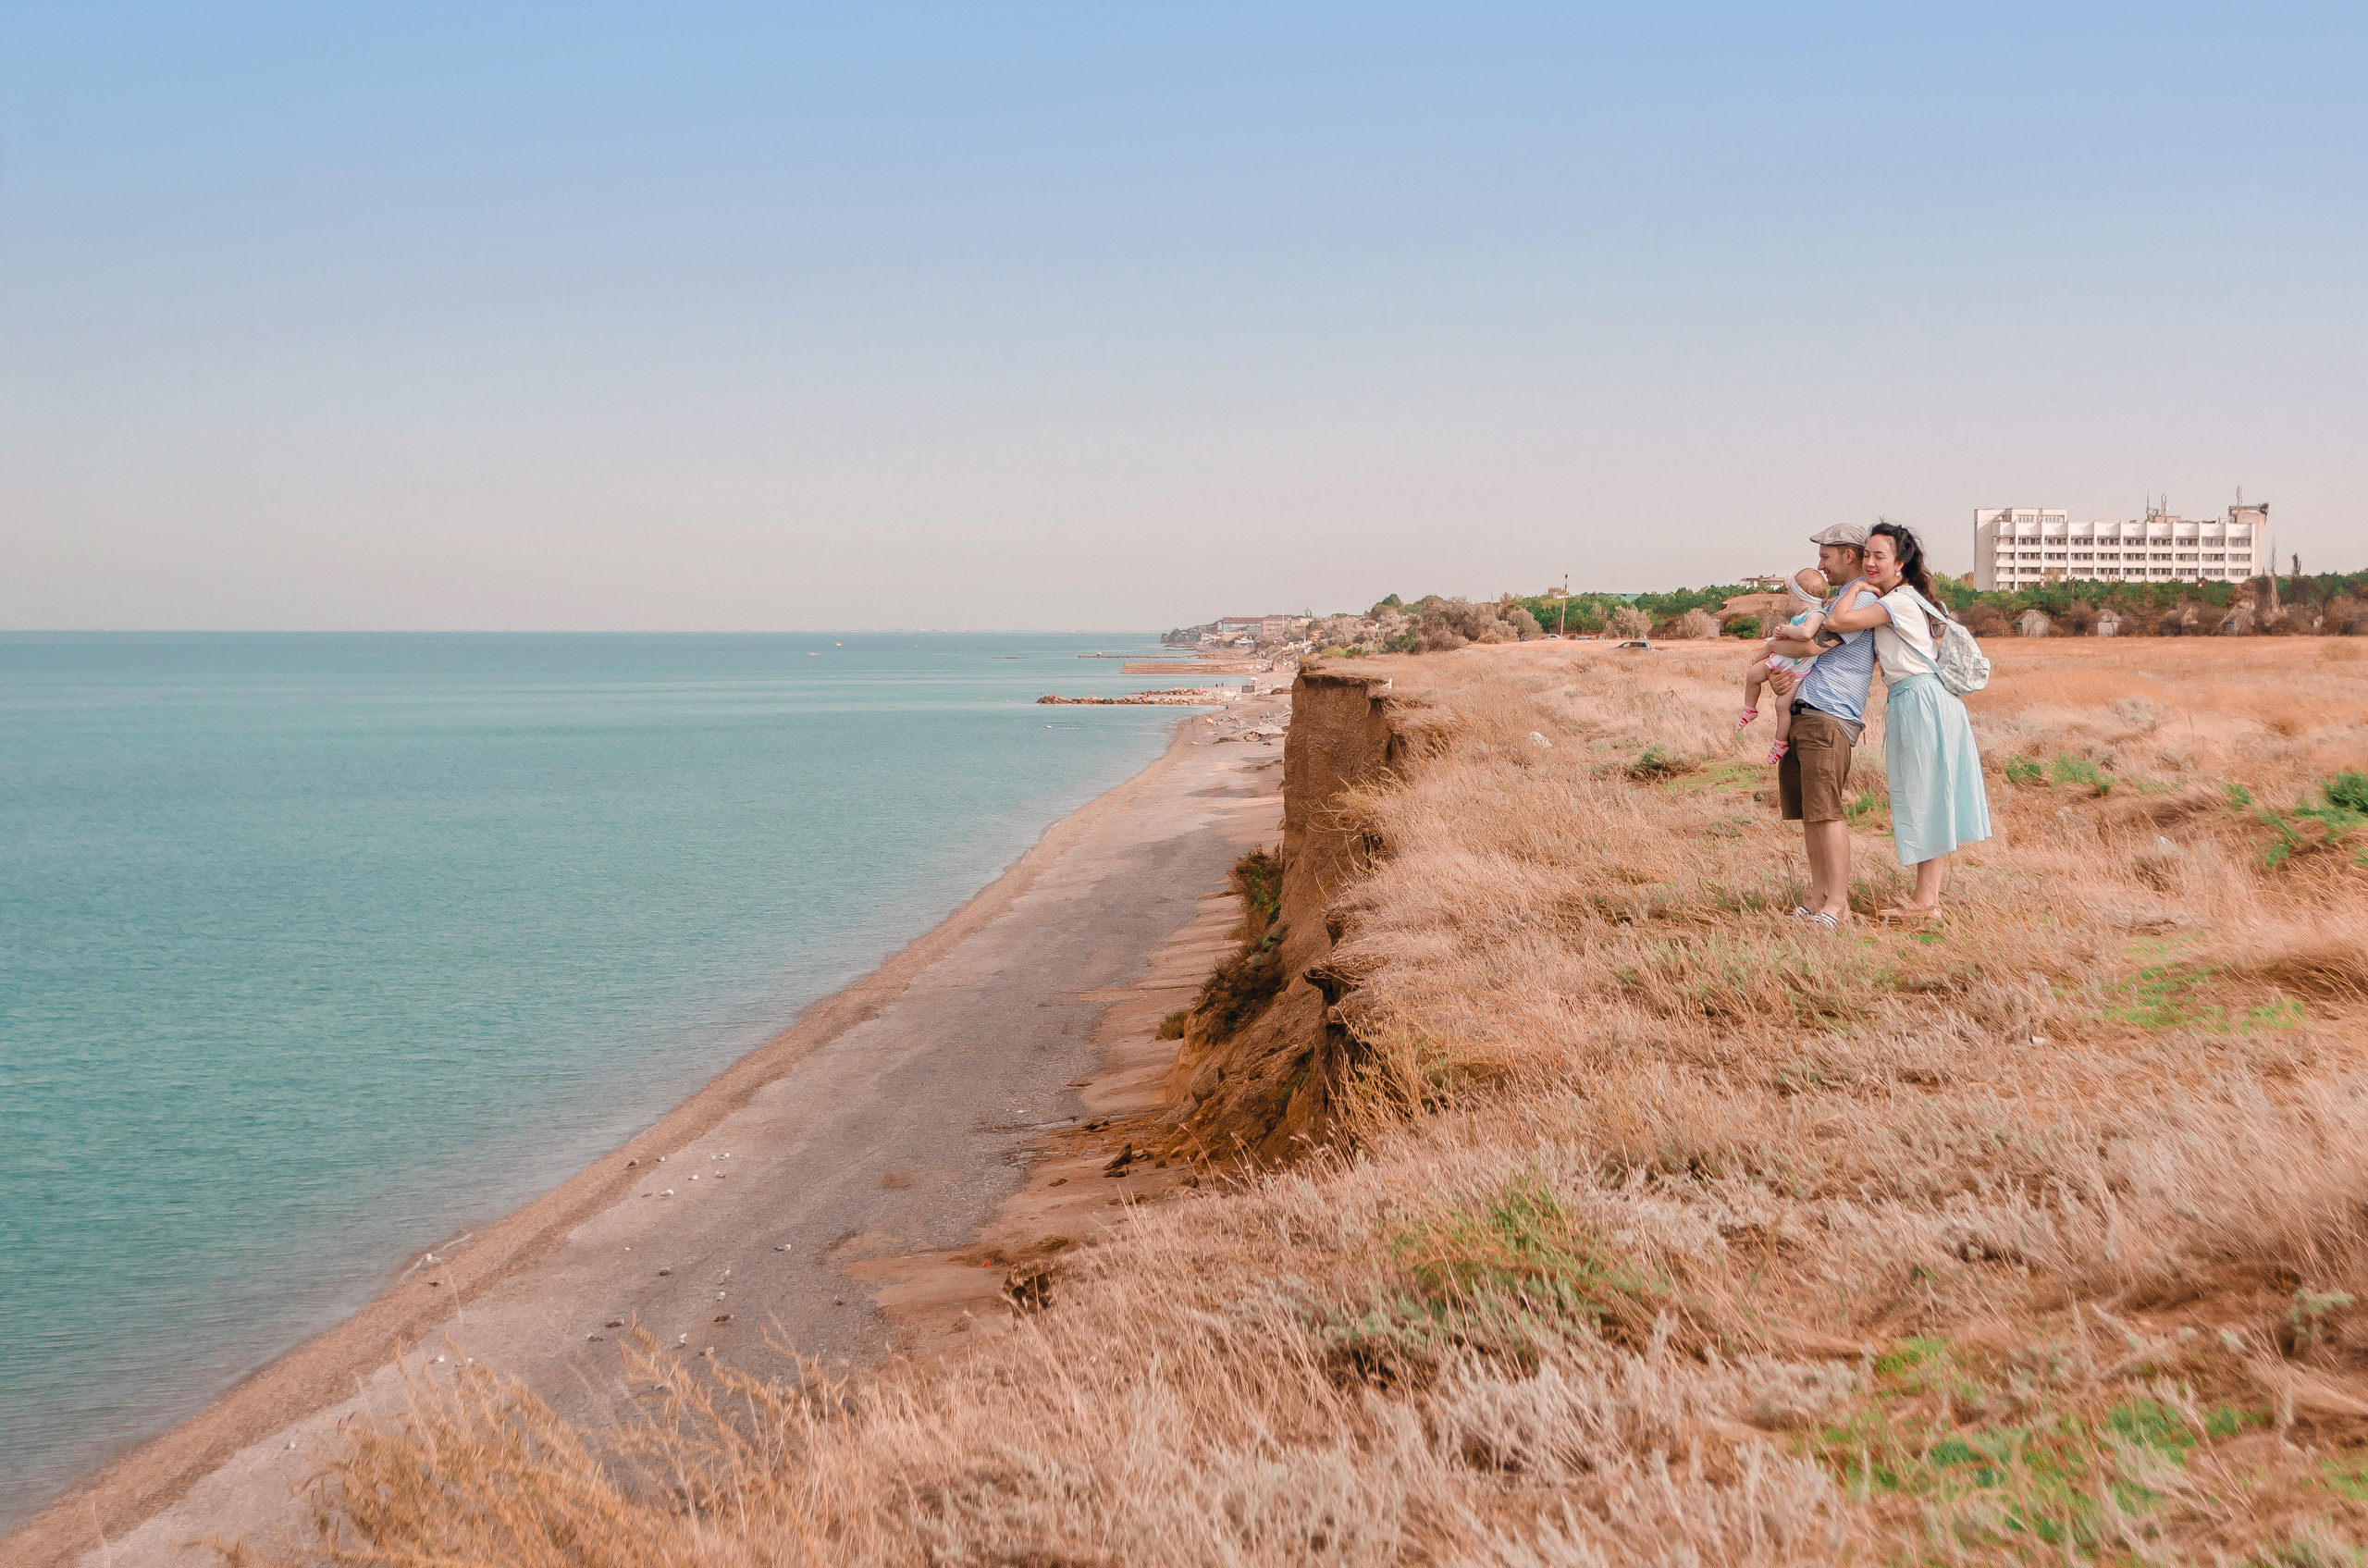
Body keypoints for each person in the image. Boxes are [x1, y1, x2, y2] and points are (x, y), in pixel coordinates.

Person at [1819, 521, 1992, 919]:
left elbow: (1836, 621)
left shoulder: (1896, 602)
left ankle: (1925, 901)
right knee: (1929, 794)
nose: (1870, 563)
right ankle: (1925, 898)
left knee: (1924, 795)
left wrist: (1858, 588)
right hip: (1923, 698)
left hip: (1920, 700)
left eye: (1879, 556)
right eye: (1867, 556)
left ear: (1900, 563)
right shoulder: (1909, 599)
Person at [1764, 525, 1879, 931]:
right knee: (1810, 813)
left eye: (1826, 556)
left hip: (1829, 716)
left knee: (1826, 813)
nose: (1819, 565)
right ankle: (1818, 899)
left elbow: (1813, 646)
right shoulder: (1835, 604)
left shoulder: (1862, 598)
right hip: (1806, 713)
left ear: (1850, 555)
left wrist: (1772, 647)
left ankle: (1839, 905)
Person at [1736, 566, 1831, 765]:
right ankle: (1749, 708)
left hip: (1797, 670)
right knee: (1753, 673)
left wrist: (1786, 630)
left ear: (1800, 596)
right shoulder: (1802, 614)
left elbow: (1806, 634)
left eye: (1791, 596)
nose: (1790, 601)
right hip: (1785, 660)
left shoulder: (1817, 615)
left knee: (1781, 705)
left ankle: (1780, 743)